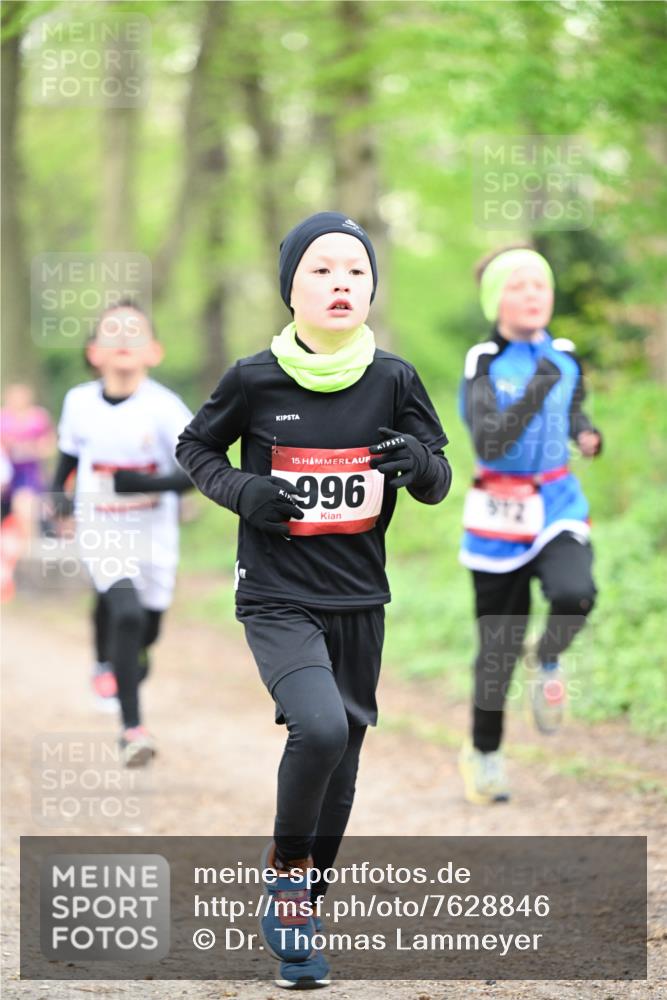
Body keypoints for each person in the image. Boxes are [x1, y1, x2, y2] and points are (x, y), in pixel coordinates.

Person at [176, 211, 452, 988]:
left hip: (359, 597)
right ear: (290, 287)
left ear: (370, 289)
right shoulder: (252, 377)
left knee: (347, 753)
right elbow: (194, 448)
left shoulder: (394, 378)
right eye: (322, 270)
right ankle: (286, 869)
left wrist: (416, 465)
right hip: (275, 594)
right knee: (321, 727)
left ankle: (304, 908)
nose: (341, 283)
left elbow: (435, 476)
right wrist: (244, 491)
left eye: (356, 271)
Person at [458, 246, 602, 805]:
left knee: (576, 592)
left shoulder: (565, 355)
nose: (533, 295)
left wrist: (586, 433)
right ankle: (485, 754)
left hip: (558, 500)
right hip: (499, 512)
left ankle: (549, 657)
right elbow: (490, 440)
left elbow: (573, 409)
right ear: (497, 300)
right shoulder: (484, 361)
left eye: (540, 285)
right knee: (497, 648)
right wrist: (537, 386)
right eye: (518, 287)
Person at [52, 301, 193, 765]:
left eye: (134, 332)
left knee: (146, 629)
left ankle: (118, 660)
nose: (124, 339)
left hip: (154, 532)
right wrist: (60, 502)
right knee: (127, 613)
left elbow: (198, 472)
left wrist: (142, 484)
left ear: (154, 350)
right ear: (95, 352)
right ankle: (132, 729)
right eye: (113, 332)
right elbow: (68, 461)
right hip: (101, 525)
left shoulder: (166, 408)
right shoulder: (78, 402)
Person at [0, 383, 55, 601]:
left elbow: (49, 445)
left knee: (26, 518)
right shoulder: (2, 417)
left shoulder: (38, 417)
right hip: (5, 474)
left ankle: (28, 571)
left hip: (28, 476)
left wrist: (30, 448)